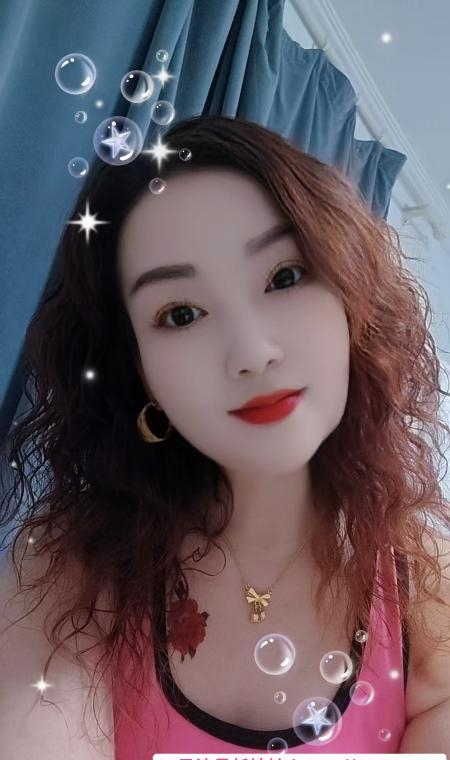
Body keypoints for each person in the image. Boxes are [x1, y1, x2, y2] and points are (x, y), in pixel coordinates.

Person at [1, 114, 449, 757]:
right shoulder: (70, 575)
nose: (252, 351)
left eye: (284, 277)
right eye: (181, 313)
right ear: (139, 371)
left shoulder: (428, 585)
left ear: (352, 299)